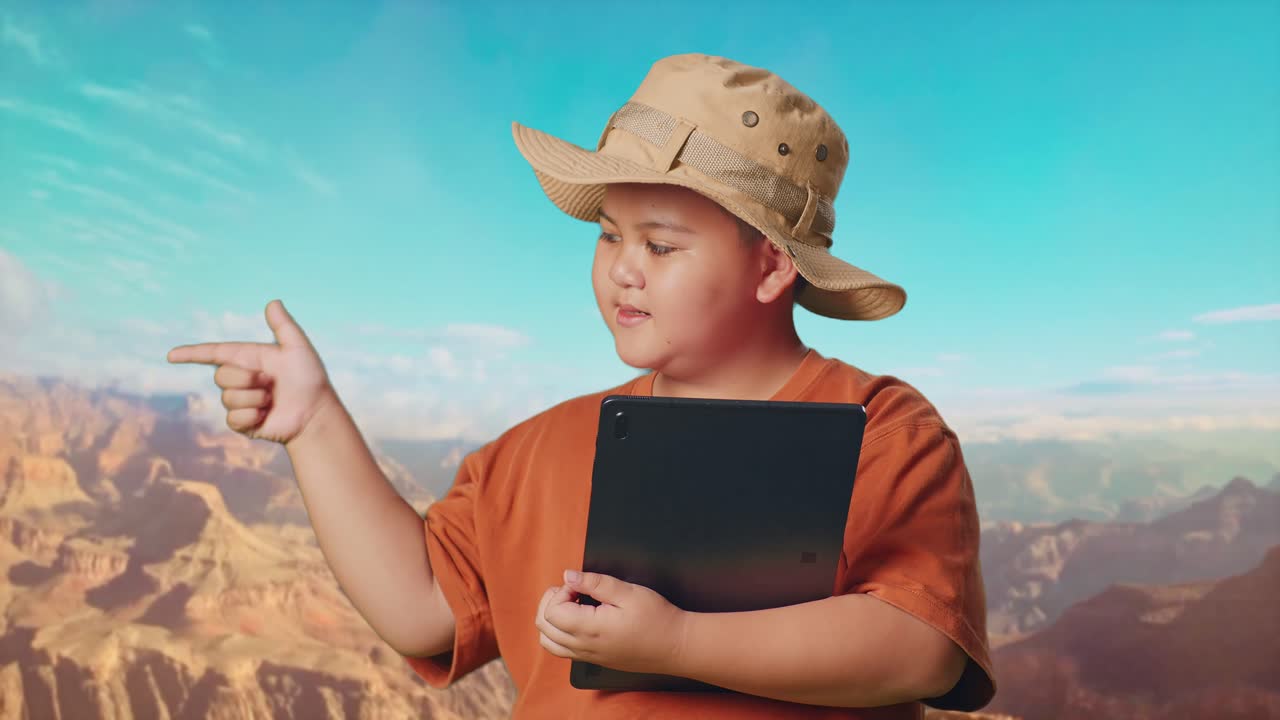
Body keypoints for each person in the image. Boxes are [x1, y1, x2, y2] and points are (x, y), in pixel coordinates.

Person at [167, 53, 995, 718]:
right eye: (607, 237)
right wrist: (313, 424)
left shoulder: (880, 429)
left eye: (661, 246)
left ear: (773, 265)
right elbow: (422, 607)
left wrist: (675, 645)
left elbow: (919, 646)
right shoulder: (541, 447)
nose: (622, 271)